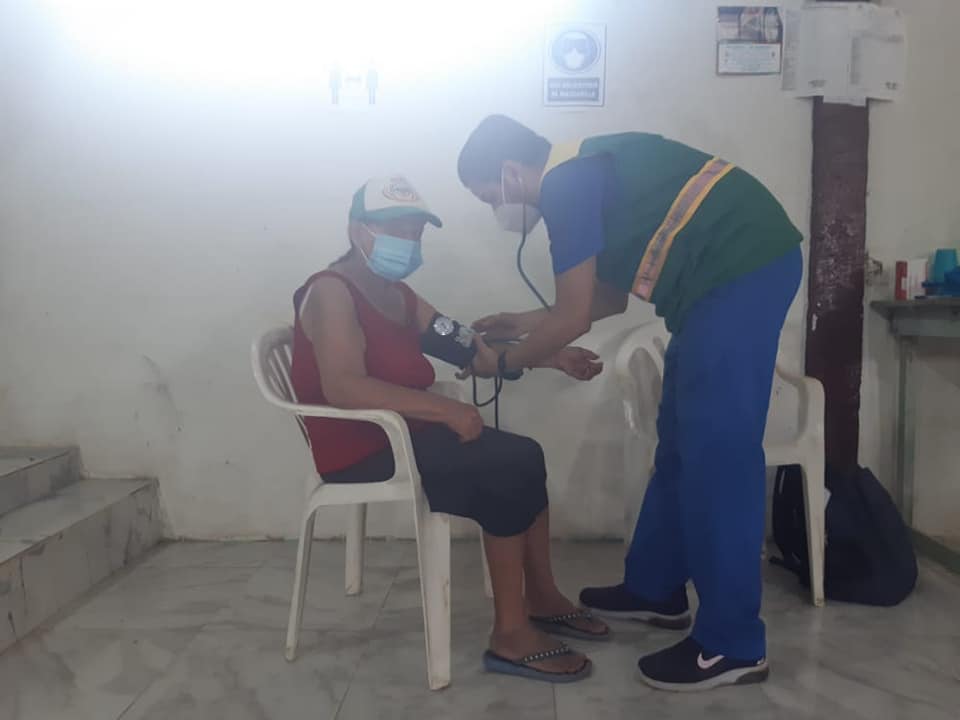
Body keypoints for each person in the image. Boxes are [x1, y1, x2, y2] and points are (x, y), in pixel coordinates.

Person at [457, 115, 803, 691]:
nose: (497, 209)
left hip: (743, 269)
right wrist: (522, 322)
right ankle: (656, 588)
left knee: (717, 458)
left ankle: (733, 644)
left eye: (489, 196)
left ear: (511, 172)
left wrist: (504, 362)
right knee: (681, 445)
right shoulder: (585, 174)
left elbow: (573, 317)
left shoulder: (565, 184)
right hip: (714, 289)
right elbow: (605, 301)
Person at [290, 175, 609, 684]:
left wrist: (550, 356)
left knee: (525, 454)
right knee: (506, 467)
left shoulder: (400, 295)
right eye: (395, 229)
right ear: (356, 230)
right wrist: (444, 410)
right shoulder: (331, 292)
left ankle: (543, 596)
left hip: (408, 434)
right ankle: (510, 635)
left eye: (416, 231)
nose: (408, 241)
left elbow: (468, 349)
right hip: (363, 446)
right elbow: (344, 386)